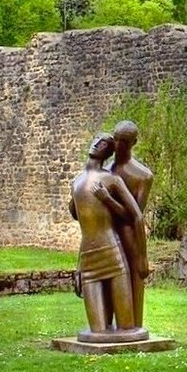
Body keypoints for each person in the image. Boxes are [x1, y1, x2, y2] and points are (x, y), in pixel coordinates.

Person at [68, 132, 146, 340]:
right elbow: (85, 226)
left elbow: (134, 216)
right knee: (97, 331)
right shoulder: (76, 182)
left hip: (113, 254)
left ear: (108, 152)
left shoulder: (112, 179)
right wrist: (79, 268)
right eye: (96, 140)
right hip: (89, 259)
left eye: (103, 143)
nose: (96, 144)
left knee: (127, 326)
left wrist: (107, 199)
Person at [110, 120, 154, 328]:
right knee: (109, 281)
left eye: (124, 141)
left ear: (133, 143)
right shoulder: (105, 170)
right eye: (116, 139)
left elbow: (135, 214)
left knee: (135, 281)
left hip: (130, 236)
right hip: (108, 234)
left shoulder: (143, 175)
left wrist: (143, 256)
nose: (118, 145)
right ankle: (107, 326)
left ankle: (134, 328)